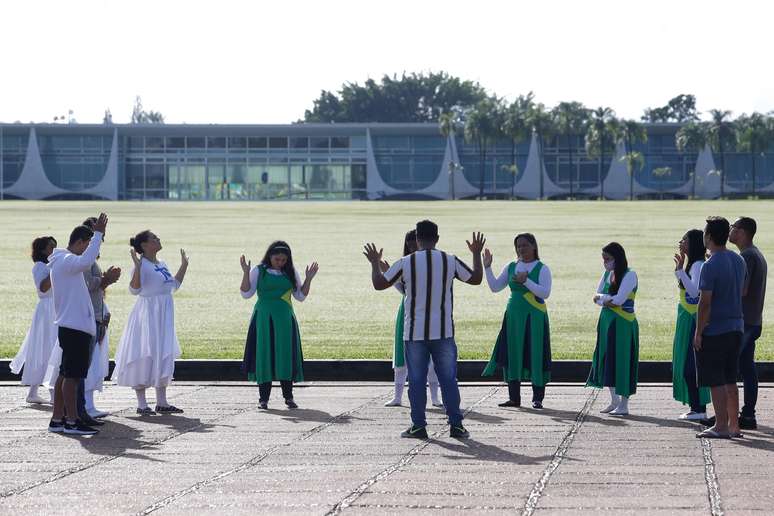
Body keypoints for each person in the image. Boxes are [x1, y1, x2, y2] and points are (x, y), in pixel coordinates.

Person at [364, 220, 485, 439]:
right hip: (444, 331)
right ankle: (456, 424)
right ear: (437, 238)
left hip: (414, 332)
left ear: (417, 239)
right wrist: (476, 254)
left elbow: (379, 284)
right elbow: (476, 279)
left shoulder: (406, 262)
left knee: (417, 380)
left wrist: (374, 262)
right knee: (448, 379)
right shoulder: (449, 260)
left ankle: (418, 425)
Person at [112, 230, 188, 415]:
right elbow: (134, 289)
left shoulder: (162, 263)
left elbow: (173, 286)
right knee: (144, 353)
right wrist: (137, 267)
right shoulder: (142, 265)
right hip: (147, 315)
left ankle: (162, 402)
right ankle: (142, 404)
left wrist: (184, 265)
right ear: (144, 245)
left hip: (163, 315)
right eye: (154, 238)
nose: (158, 239)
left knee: (162, 353)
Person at [47, 214, 108, 436]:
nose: (90, 251)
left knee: (65, 376)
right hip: (75, 329)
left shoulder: (63, 262)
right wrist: (98, 234)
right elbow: (86, 260)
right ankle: (72, 421)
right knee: (72, 378)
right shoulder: (67, 261)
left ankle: (57, 420)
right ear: (81, 242)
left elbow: (85, 260)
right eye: (88, 245)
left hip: (71, 327)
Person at [240, 241, 318, 409]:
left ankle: (288, 397)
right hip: (263, 317)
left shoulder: (290, 272)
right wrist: (246, 273)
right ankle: (263, 399)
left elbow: (300, 296)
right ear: (270, 256)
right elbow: (246, 293)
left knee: (285, 355)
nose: (280, 262)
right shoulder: (258, 271)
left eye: (283, 260)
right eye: (277, 259)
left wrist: (308, 279)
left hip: (285, 318)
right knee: (264, 355)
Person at [482, 233, 552, 409]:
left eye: (525, 245)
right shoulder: (511, 266)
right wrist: (487, 267)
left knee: (535, 352)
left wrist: (526, 280)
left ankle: (537, 398)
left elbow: (545, 293)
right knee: (513, 353)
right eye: (518, 246)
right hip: (514, 316)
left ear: (534, 246)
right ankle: (514, 398)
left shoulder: (542, 268)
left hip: (535, 316)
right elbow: (495, 287)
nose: (521, 249)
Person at [694, 216, 746, 439]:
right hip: (737, 326)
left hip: (716, 329)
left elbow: (705, 302)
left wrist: (698, 332)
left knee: (715, 380)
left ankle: (721, 425)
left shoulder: (710, 265)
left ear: (709, 236)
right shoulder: (738, 260)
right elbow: (742, 291)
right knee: (730, 378)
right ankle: (734, 425)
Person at [381, 230, 441, 408]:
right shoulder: (404, 263)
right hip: (407, 311)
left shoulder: (430, 262)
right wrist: (389, 276)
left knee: (431, 356)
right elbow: (405, 292)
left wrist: (391, 279)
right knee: (401, 354)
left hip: (428, 312)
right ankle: (398, 396)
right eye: (408, 243)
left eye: (414, 242)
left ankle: (435, 397)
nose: (411, 246)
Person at [587, 242, 639, 416]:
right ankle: (614, 400)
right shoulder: (607, 274)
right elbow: (596, 295)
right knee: (606, 359)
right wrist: (605, 299)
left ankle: (624, 404)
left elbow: (619, 300)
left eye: (607, 259)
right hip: (607, 322)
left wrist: (604, 299)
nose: (605, 263)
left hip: (623, 324)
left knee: (622, 361)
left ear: (617, 258)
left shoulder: (630, 275)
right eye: (603, 259)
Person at [80, 217, 121, 420]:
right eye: (99, 234)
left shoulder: (90, 258)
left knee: (94, 361)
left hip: (97, 313)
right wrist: (106, 279)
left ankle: (89, 404)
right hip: (89, 316)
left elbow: (96, 289)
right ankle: (85, 405)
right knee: (87, 362)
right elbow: (87, 286)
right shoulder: (85, 258)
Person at [729, 216, 767, 430]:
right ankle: (748, 415)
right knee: (747, 368)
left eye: (733, 228)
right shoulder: (755, 254)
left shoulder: (747, 257)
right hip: (753, 320)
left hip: (743, 321)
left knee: (729, 368)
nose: (730, 231)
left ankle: (726, 416)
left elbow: (742, 289)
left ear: (742, 232)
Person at [10, 236, 59, 404]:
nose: (55, 249)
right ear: (43, 250)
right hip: (46, 311)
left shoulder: (50, 265)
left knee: (51, 347)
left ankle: (34, 392)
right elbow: (43, 287)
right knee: (45, 347)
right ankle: (50, 393)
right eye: (51, 246)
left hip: (55, 309)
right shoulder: (39, 266)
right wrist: (54, 267)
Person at [671, 229, 711, 420]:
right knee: (687, 364)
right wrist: (679, 270)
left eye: (684, 240)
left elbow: (694, 292)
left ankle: (699, 408)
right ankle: (696, 407)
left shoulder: (698, 265)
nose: (681, 242)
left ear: (693, 243)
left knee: (691, 366)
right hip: (686, 317)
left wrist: (680, 271)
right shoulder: (692, 264)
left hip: (693, 318)